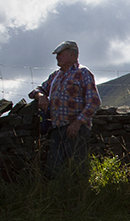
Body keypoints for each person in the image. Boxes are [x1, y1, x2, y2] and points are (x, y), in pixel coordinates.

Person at [29, 40, 101, 178]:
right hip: (56, 128)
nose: (57, 57)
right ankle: (58, 194)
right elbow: (37, 90)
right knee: (53, 169)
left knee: (78, 168)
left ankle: (81, 195)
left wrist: (77, 123)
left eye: (60, 54)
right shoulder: (56, 75)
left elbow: (94, 101)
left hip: (76, 129)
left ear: (72, 55)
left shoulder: (83, 73)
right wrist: (41, 96)